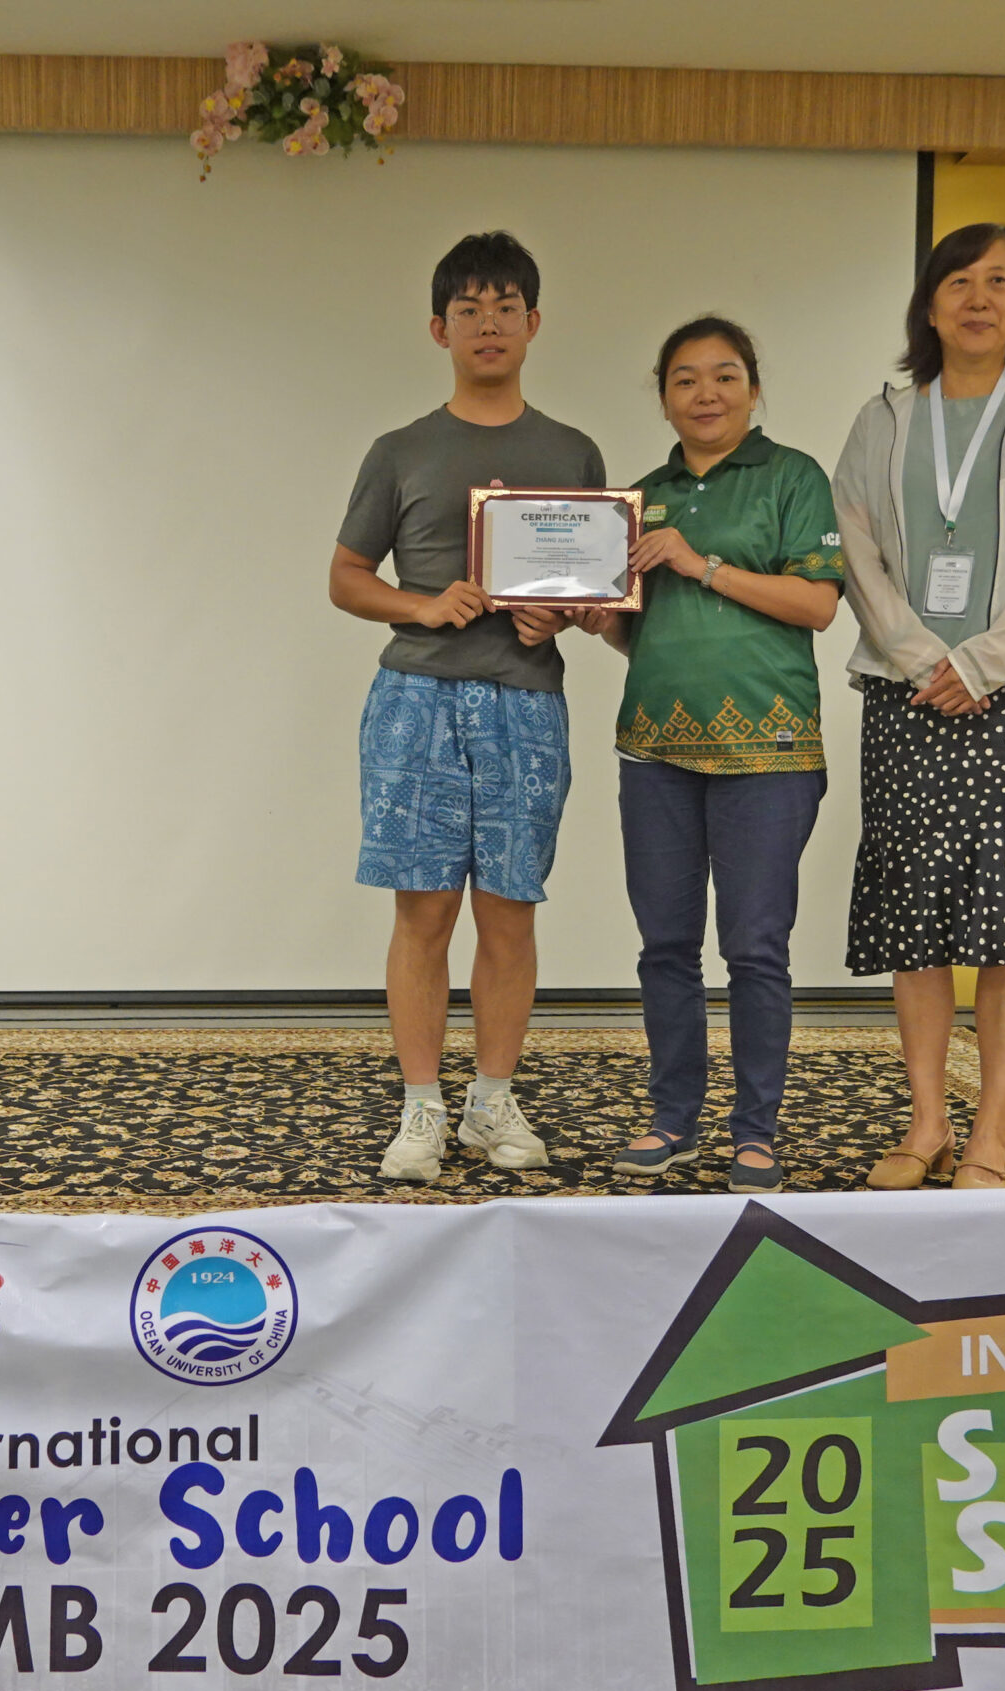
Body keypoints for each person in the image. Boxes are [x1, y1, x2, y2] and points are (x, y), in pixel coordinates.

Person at [830, 223, 1005, 1191]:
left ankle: (992, 1133)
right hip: (906, 693)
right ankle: (926, 1124)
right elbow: (856, 544)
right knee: (916, 916)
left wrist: (983, 662)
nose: (978, 298)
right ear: (930, 302)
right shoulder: (884, 416)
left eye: (999, 281)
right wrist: (922, 657)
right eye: (959, 280)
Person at [329, 231, 607, 1183]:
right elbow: (346, 576)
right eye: (469, 309)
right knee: (422, 913)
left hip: (526, 703)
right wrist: (421, 604)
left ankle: (492, 1102)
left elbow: (595, 589)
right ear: (438, 328)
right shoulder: (400, 450)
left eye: (505, 308)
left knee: (511, 912)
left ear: (534, 323)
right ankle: (420, 1108)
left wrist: (558, 614)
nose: (488, 324)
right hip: (416, 699)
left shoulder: (570, 450)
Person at [596, 317, 845, 1195]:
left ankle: (755, 1131)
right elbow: (638, 631)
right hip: (655, 747)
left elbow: (817, 605)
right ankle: (672, 1119)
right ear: (663, 396)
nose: (706, 394)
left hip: (769, 750)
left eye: (725, 376)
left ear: (754, 387)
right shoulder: (640, 496)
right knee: (664, 945)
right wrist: (592, 612)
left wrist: (700, 565)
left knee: (754, 947)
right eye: (686, 379)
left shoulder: (793, 476)